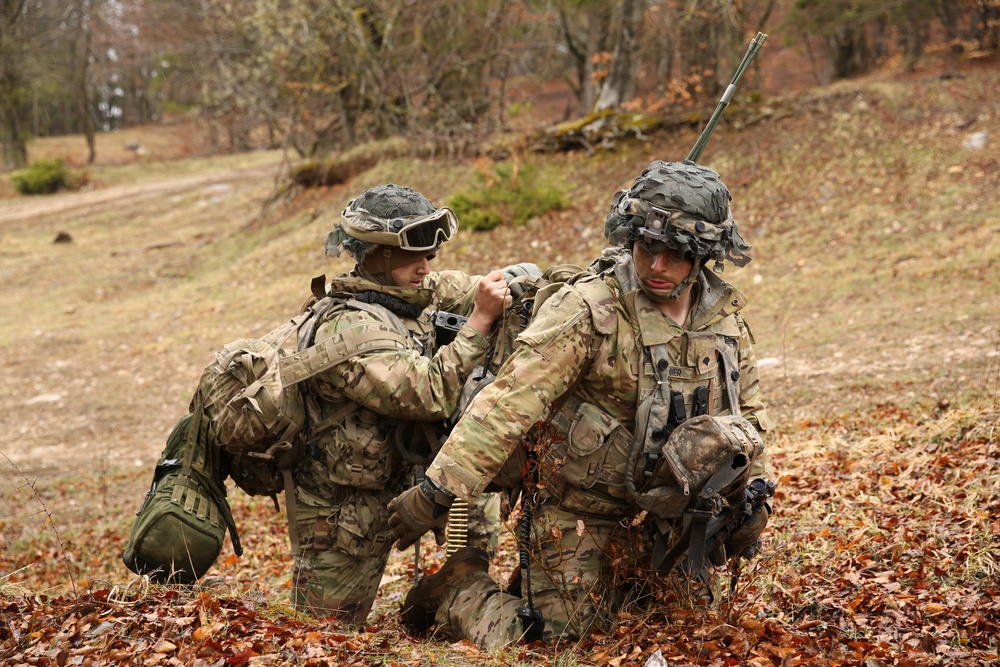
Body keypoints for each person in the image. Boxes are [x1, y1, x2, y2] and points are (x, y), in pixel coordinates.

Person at [386, 161, 777, 647]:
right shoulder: (589, 309)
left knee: (681, 628)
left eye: (675, 254)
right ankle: (456, 585)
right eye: (646, 248)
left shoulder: (723, 318)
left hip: (668, 517)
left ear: (703, 256)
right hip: (579, 512)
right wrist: (436, 491)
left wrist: (750, 495)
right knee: (557, 641)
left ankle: (542, 588)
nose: (656, 265)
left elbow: (750, 418)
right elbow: (508, 403)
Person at [288, 183, 511, 623]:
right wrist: (480, 322)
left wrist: (519, 281)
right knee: (326, 632)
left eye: (431, 256)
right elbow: (427, 392)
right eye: (415, 258)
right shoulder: (347, 327)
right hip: (345, 510)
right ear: (378, 257)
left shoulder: (409, 291)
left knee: (473, 518)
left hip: (415, 477)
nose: (426, 268)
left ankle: (451, 585)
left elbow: (468, 287)